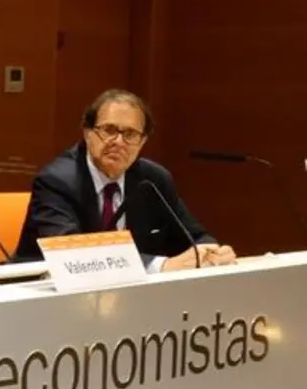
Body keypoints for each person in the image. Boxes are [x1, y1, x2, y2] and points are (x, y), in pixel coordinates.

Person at [14, 88, 236, 270]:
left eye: (130, 134)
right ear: (87, 133)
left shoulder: (154, 180)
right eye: (109, 130)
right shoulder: (57, 181)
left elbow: (194, 236)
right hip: (43, 294)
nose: (118, 142)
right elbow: (73, 257)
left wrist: (211, 252)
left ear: (142, 142)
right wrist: (160, 265)